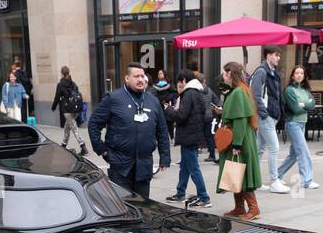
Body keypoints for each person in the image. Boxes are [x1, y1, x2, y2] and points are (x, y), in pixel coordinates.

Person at [86, 62, 170, 199]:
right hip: (120, 165)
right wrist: (101, 149)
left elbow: (162, 130)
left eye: (142, 76)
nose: (141, 80)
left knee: (143, 207)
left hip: (144, 165)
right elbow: (94, 123)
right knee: (123, 207)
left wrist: (165, 157)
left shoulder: (152, 100)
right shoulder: (113, 98)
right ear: (127, 78)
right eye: (136, 76)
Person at [216, 61, 262, 220]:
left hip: (238, 139)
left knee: (241, 173)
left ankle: (253, 208)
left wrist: (236, 144)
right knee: (234, 172)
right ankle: (239, 207)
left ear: (229, 74)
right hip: (236, 137)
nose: (223, 75)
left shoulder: (238, 93)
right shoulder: (237, 91)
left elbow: (240, 121)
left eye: (224, 73)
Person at [164, 72, 211, 207]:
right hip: (192, 135)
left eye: (180, 83)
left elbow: (182, 115)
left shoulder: (189, 93)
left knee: (193, 168)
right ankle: (180, 193)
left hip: (189, 136)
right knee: (184, 167)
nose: (179, 86)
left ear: (184, 80)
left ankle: (204, 197)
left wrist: (169, 110)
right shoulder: (197, 93)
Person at [249, 46, 288, 194]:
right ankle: (274, 181)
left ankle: (255, 182)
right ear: (269, 56)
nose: (279, 58)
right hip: (266, 117)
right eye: (276, 55)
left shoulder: (270, 72)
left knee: (259, 150)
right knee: (274, 148)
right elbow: (255, 95)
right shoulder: (262, 72)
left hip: (269, 116)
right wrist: (264, 114)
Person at [276, 65, 318, 192]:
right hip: (293, 123)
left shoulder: (305, 90)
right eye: (297, 73)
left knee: (294, 154)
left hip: (302, 123)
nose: (299, 75)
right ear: (293, 75)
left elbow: (313, 103)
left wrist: (303, 104)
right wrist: (306, 105)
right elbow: (295, 108)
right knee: (303, 152)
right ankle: (307, 181)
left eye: (302, 73)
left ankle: (276, 175)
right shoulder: (289, 90)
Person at [51, 66, 87, 154]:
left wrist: (53, 107)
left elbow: (57, 97)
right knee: (67, 127)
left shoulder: (60, 84)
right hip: (76, 110)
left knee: (74, 128)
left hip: (67, 110)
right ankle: (64, 145)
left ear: (62, 74)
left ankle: (83, 147)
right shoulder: (73, 83)